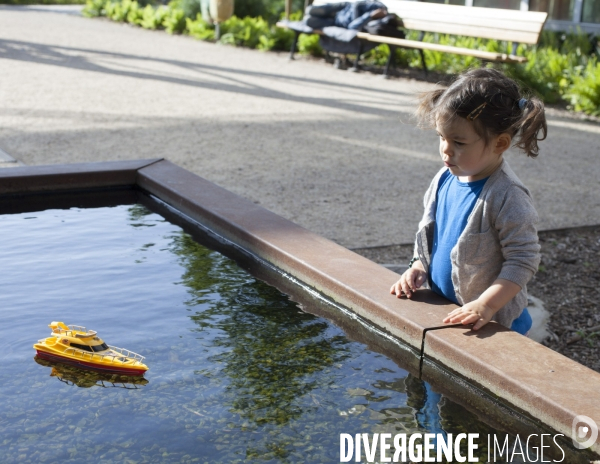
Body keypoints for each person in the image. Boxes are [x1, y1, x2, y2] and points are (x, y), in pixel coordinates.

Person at [390, 68, 547, 335]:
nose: (446, 149)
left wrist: (486, 305)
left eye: (459, 142)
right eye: (441, 137)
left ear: (500, 143)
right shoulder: (444, 178)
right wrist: (418, 265)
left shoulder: (507, 196)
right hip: (449, 313)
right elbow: (429, 235)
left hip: (494, 326)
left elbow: (523, 261)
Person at [304, 1, 387, 31]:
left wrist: (370, 16)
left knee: (308, 21)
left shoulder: (373, 19)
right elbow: (357, 5)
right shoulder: (378, 6)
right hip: (342, 8)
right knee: (309, 10)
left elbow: (352, 26)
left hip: (337, 22)